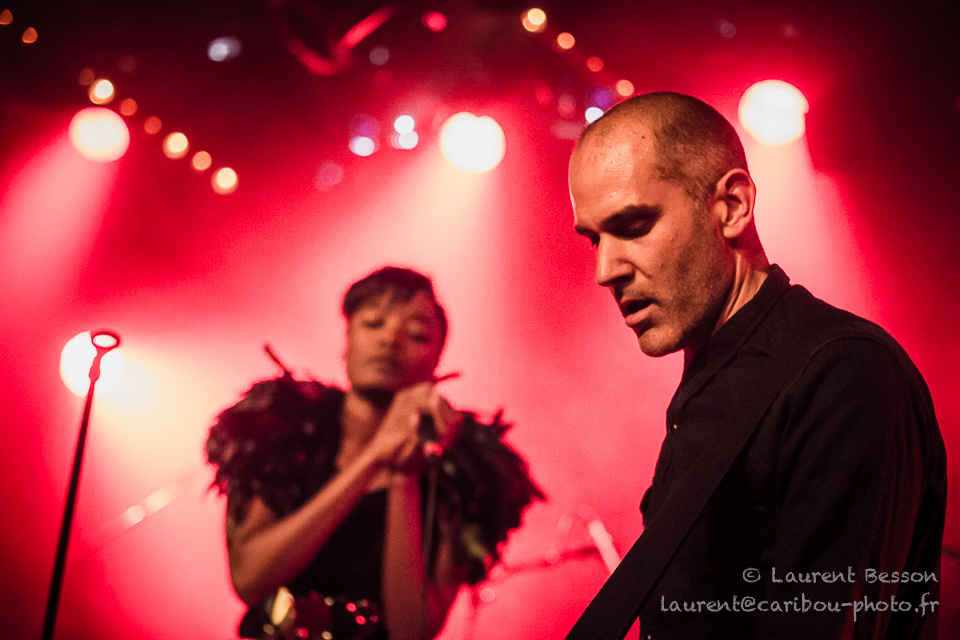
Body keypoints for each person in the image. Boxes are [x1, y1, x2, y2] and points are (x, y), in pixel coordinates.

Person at [567, 92, 946, 638]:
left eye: (634, 225)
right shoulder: (710, 385)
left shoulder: (843, 374)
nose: (605, 270)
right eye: (593, 240)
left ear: (732, 206)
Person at [205, 267, 543, 640]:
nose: (390, 339)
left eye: (416, 334)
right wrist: (373, 459)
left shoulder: (469, 471)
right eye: (373, 323)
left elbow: (411, 632)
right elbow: (250, 580)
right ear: (346, 339)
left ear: (437, 361)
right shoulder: (280, 424)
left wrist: (404, 474)